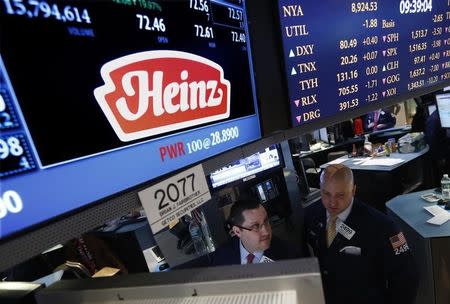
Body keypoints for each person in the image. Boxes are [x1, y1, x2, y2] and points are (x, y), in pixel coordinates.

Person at [304, 164, 418, 304]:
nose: (332, 203)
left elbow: (406, 280)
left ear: (353, 190)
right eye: (326, 194)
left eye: (340, 195)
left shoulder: (383, 227)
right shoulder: (311, 215)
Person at [211, 198, 300, 266]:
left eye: (266, 221)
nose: (266, 232)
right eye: (255, 226)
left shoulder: (288, 255)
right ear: (237, 231)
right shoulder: (221, 257)